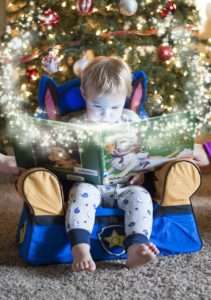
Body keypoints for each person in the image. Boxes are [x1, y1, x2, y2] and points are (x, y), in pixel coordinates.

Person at [65, 56, 159, 272]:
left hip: (124, 185)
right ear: (84, 94)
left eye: (115, 107)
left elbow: (146, 155)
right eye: (97, 106)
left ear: (125, 98)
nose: (106, 116)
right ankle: (80, 249)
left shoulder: (131, 121)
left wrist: (142, 173)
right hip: (90, 185)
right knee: (81, 194)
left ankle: (135, 249)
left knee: (141, 196)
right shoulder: (75, 125)